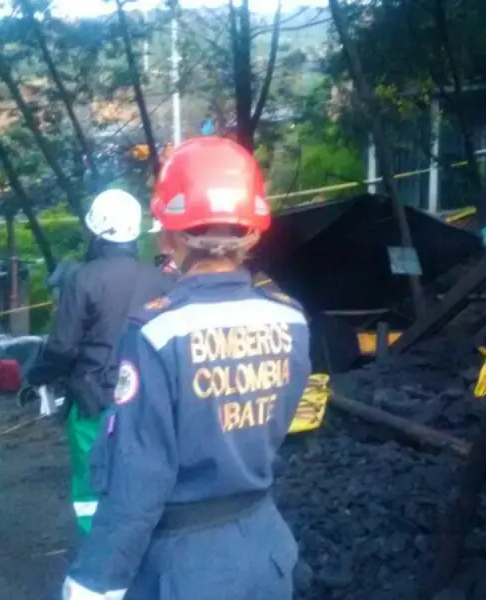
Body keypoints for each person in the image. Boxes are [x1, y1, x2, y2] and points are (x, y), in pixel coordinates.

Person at [61, 137, 311, 600]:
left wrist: (96, 580)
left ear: (168, 235)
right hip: (266, 552)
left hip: (185, 565)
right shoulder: (290, 319)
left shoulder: (158, 331)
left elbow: (138, 476)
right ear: (253, 233)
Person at [25, 189, 177, 535]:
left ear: (96, 231)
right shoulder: (162, 281)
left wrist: (36, 376)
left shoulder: (83, 279)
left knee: (92, 488)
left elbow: (62, 348)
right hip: (147, 401)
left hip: (93, 401)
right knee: (139, 478)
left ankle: (98, 553)